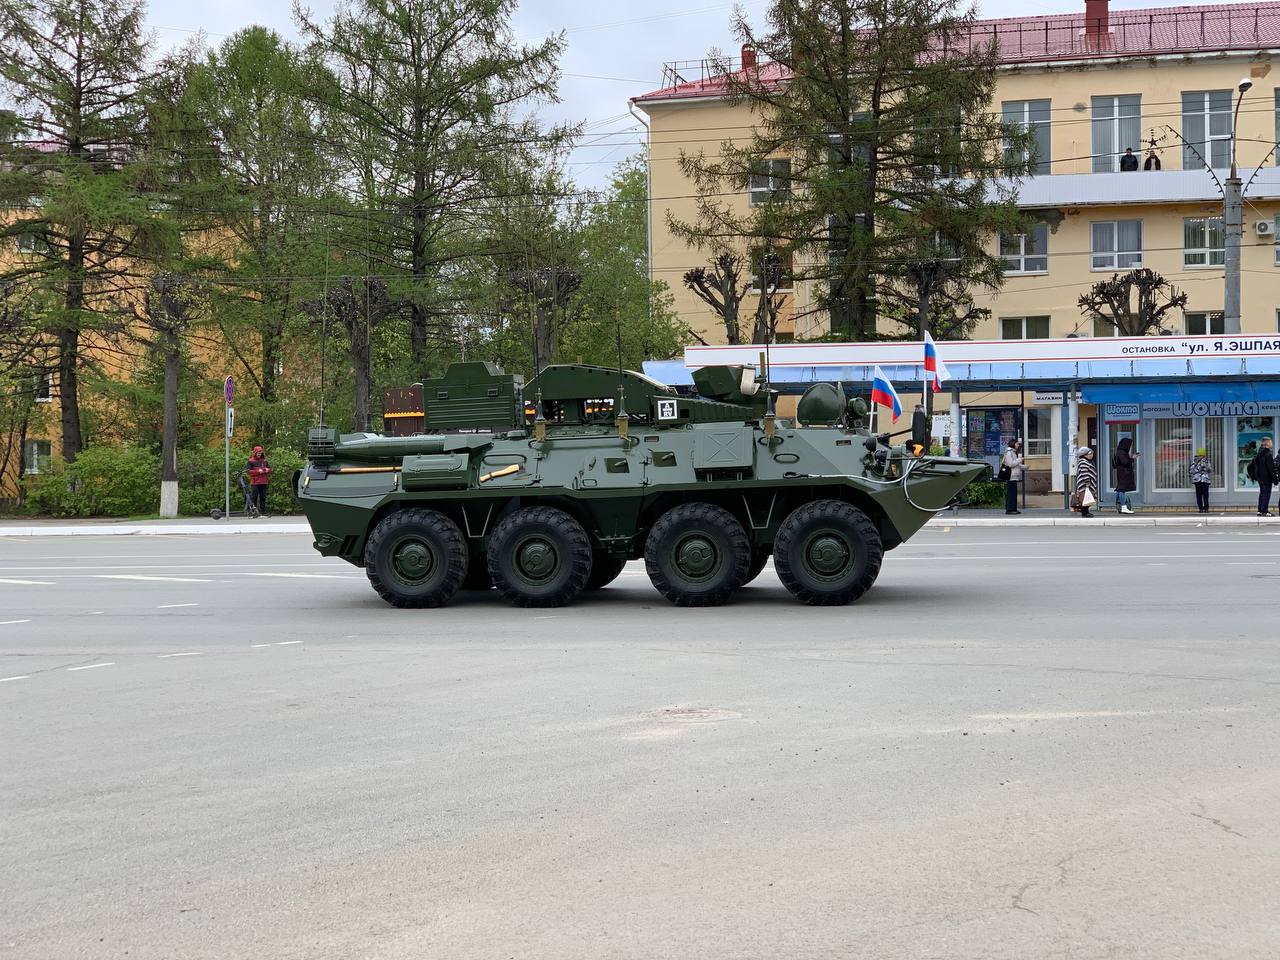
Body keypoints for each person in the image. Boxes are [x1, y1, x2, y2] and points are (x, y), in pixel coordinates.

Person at [1113, 437, 1138, 514]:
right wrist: (1133, 458)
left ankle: (1119, 506)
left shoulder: (1119, 451)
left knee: (1119, 489)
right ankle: (1123, 507)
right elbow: (1125, 462)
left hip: (1121, 472)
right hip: (1124, 473)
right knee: (1121, 489)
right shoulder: (1122, 452)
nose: (1129, 447)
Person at [1000, 439, 1025, 515]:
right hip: (1011, 476)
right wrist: (1019, 460)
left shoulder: (1013, 452)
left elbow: (1015, 464)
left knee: (1013, 494)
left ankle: (1013, 508)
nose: (1018, 445)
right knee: (1011, 494)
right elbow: (1011, 464)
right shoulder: (1009, 453)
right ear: (1013, 444)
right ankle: (1010, 509)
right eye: (1017, 444)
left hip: (1014, 476)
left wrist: (1024, 467)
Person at [1254, 436, 1276, 517]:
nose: (1271, 444)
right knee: (1266, 494)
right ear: (1267, 444)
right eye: (1270, 442)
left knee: (1262, 494)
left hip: (1260, 478)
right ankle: (1265, 511)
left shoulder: (1259, 453)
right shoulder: (1268, 454)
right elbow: (1271, 469)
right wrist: (1275, 480)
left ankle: (1260, 510)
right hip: (1267, 478)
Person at [247, 444, 272, 517]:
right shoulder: (250, 461)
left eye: (260, 453)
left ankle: (262, 512)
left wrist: (267, 470)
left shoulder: (264, 460)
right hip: (255, 482)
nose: (259, 454)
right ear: (255, 453)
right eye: (258, 453)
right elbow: (248, 471)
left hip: (264, 481)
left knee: (263, 497)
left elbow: (270, 469)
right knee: (254, 496)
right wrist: (258, 471)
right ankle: (253, 512)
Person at [1075, 446, 1098, 518]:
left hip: (1088, 485)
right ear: (1084, 455)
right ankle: (1084, 513)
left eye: (1091, 454)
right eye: (1089, 454)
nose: (1091, 455)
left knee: (1088, 499)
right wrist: (1087, 482)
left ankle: (1086, 512)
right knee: (1085, 499)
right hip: (1085, 485)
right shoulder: (1083, 462)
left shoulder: (1086, 462)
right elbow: (1085, 472)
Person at [1190, 447, 1212, 513]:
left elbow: (1210, 470)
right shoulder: (1195, 461)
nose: (1201, 457)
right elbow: (1191, 471)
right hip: (1197, 480)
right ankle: (1200, 508)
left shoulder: (1207, 461)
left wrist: (1205, 467)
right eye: (1200, 455)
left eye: (1202, 455)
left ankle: (1206, 508)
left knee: (1205, 494)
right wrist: (1198, 467)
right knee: (1199, 494)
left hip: (1205, 480)